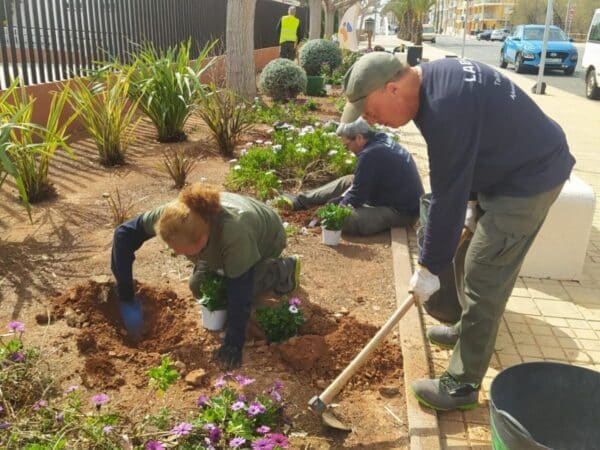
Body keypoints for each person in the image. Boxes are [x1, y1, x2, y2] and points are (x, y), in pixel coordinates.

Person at [340, 52, 575, 411]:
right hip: (507, 168)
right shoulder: (436, 80)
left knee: (484, 273)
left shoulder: (444, 107)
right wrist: (470, 204)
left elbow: (447, 194)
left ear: (392, 89)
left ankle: (462, 385)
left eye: (371, 112)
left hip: (530, 179)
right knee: (466, 254)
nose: (373, 123)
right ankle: (467, 330)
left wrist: (429, 267)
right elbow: (468, 155)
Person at [111, 184, 300, 369]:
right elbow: (123, 234)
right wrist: (126, 295)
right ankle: (225, 268)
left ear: (203, 238)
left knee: (241, 288)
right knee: (198, 286)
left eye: (182, 250)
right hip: (224, 241)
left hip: (267, 239)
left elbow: (240, 291)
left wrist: (233, 341)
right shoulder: (175, 217)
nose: (177, 253)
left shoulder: (234, 232)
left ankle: (283, 269)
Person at [277, 117, 424, 236]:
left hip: (402, 212)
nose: (348, 150)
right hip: (388, 195)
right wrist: (340, 200)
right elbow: (359, 188)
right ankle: (300, 200)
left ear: (359, 138)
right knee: (349, 180)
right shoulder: (379, 139)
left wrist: (334, 208)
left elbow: (357, 197)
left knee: (341, 219)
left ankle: (323, 221)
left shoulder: (370, 154)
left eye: (347, 145)